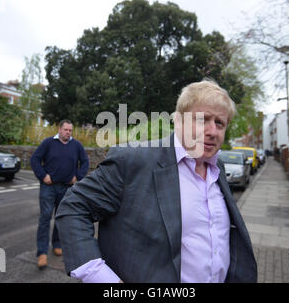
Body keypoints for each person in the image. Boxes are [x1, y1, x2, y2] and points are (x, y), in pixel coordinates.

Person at [55, 80, 257, 283]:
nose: (212, 131)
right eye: (203, 119)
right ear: (178, 121)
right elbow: (73, 207)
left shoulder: (217, 168)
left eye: (219, 123)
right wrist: (102, 278)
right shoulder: (134, 160)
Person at [30, 119, 89, 270]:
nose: (68, 133)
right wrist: (43, 175)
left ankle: (57, 244)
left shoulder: (76, 145)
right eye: (66, 130)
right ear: (59, 129)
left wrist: (78, 176)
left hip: (67, 188)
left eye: (70, 130)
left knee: (60, 217)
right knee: (45, 217)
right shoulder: (48, 143)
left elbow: (85, 162)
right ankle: (42, 252)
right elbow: (35, 159)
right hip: (48, 187)